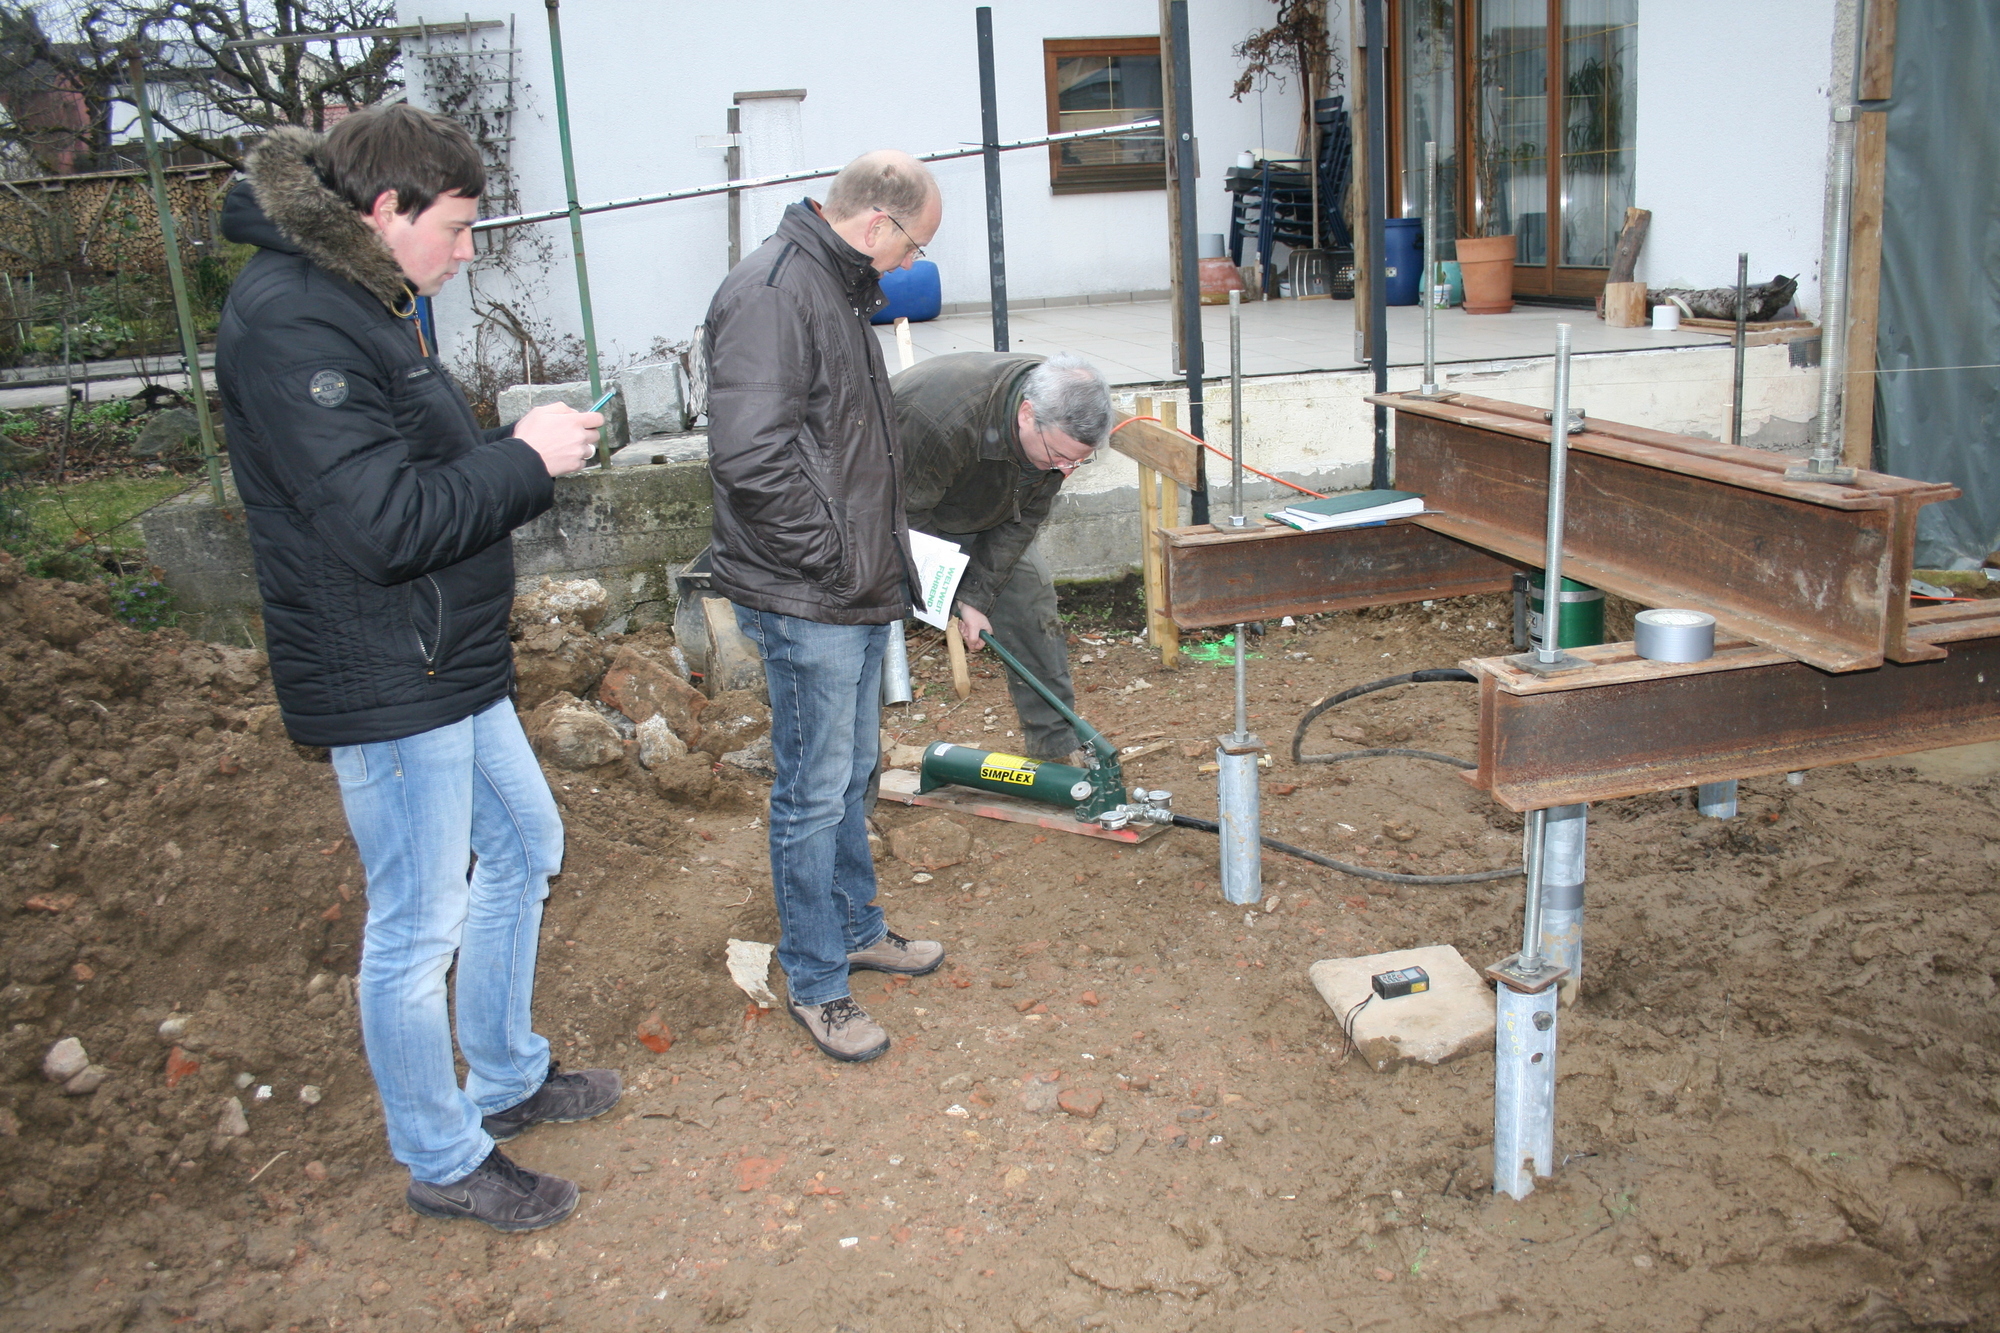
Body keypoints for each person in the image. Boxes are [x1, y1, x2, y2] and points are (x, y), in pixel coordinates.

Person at [216, 105, 620, 1233]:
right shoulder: (291, 317)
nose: (470, 247)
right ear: (385, 211)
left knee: (526, 844)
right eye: (458, 224)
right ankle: (443, 1155)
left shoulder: (358, 297)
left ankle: (503, 1074)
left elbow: (406, 460)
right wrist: (524, 458)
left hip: (442, 655)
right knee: (412, 924)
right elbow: (384, 523)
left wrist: (507, 445)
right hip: (383, 666)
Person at [704, 151, 948, 1063]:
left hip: (841, 586)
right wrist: (840, 560)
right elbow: (752, 460)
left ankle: (855, 924)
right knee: (810, 791)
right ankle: (815, 978)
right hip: (808, 594)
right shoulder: (774, 291)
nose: (907, 266)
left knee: (848, 773)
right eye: (914, 246)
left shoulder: (829, 285)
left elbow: (842, 443)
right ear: (879, 223)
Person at [894, 351, 1114, 763]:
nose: (1066, 471)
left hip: (973, 506)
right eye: (1060, 457)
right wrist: (954, 595)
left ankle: (1057, 746)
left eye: (1078, 462)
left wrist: (977, 596)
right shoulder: (939, 420)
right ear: (1027, 414)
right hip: (887, 516)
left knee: (1029, 594)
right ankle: (844, 763)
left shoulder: (1055, 433)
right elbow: (907, 522)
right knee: (862, 633)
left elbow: (1023, 518)